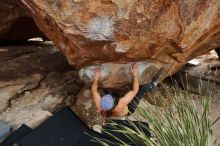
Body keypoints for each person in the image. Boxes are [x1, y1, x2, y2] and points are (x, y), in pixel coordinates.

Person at [91, 63, 162, 117]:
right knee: (142, 88)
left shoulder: (100, 105)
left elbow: (94, 91)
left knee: (105, 89)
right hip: (130, 109)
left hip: (111, 109)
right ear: (113, 101)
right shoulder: (121, 103)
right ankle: (154, 84)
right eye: (110, 96)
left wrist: (96, 79)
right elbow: (135, 90)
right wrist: (135, 75)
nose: (109, 95)